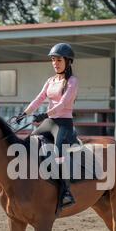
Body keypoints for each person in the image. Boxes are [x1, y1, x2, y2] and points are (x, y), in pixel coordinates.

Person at [16, 43, 78, 208]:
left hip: (63, 123)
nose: (55, 63)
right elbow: (39, 98)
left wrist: (45, 114)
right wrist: (25, 113)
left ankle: (66, 192)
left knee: (58, 155)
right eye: (53, 60)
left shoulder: (72, 81)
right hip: (49, 122)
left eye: (58, 60)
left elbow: (63, 104)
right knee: (26, 145)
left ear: (68, 61)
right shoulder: (50, 80)